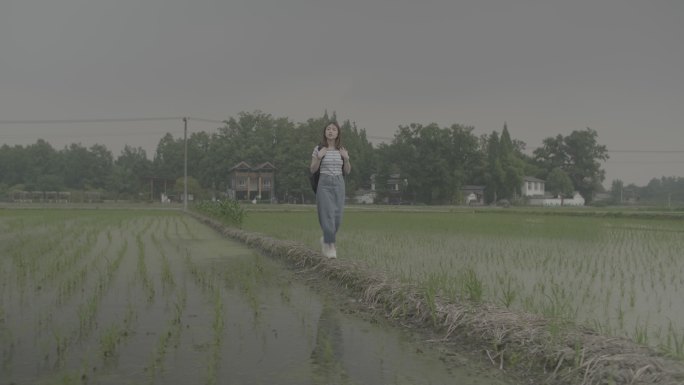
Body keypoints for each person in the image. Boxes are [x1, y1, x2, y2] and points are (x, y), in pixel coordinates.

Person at [310, 122, 351, 258]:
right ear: (325, 133)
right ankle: (331, 246)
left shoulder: (342, 150)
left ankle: (326, 239)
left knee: (337, 217)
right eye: (328, 129)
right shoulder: (319, 149)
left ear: (338, 133)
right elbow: (312, 169)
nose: (331, 131)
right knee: (327, 215)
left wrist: (346, 159)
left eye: (334, 129)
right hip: (324, 183)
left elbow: (347, 171)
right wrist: (319, 157)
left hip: (339, 183)